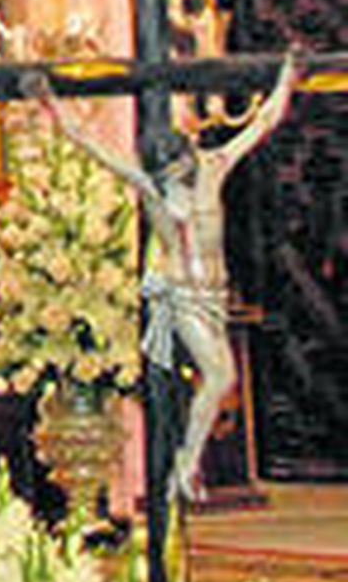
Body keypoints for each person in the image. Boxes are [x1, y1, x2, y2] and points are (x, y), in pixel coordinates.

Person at [33, 53, 297, 501]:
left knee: (220, 379)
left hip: (216, 288)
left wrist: (287, 76)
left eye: (181, 172)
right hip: (183, 292)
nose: (179, 182)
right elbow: (88, 143)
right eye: (170, 176)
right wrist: (49, 101)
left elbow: (263, 124)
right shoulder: (152, 187)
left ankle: (186, 462)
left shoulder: (213, 167)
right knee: (220, 377)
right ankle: (186, 464)